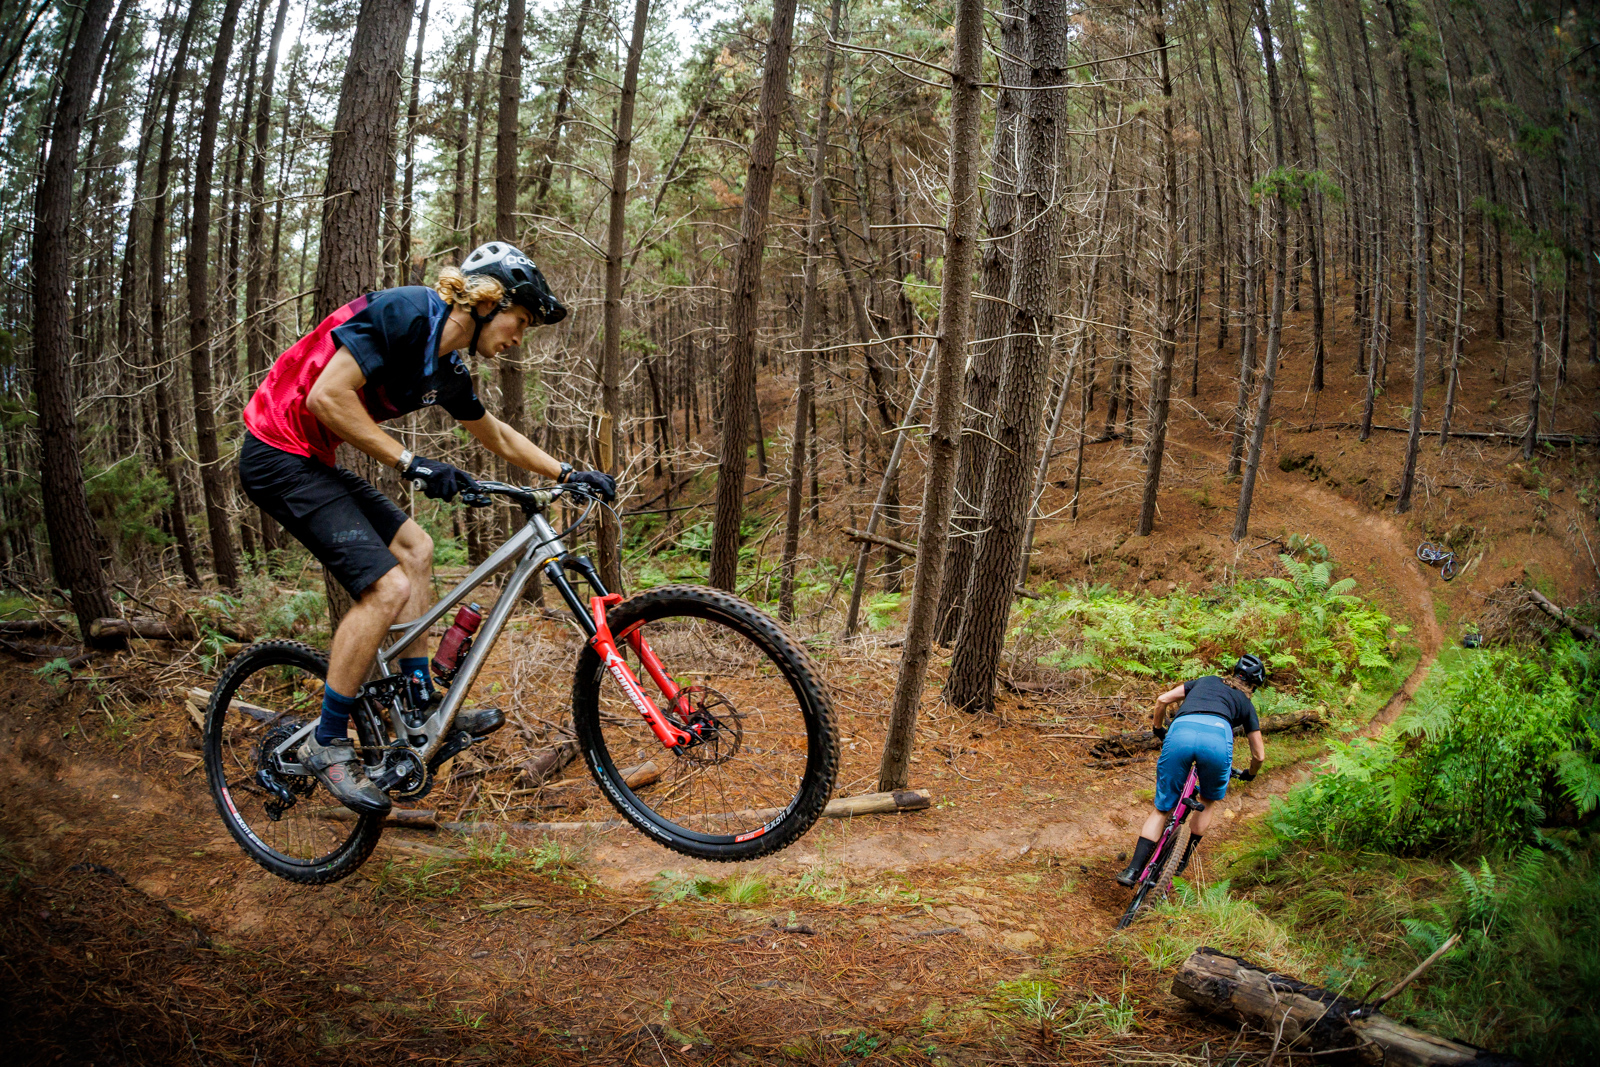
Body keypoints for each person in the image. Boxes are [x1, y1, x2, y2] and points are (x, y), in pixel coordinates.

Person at [238, 242, 615, 816]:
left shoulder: (447, 366)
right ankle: (327, 740)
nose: (519, 337)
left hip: (312, 461)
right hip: (275, 455)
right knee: (385, 588)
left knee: (416, 548)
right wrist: (411, 463)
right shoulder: (407, 312)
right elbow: (325, 395)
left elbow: (497, 434)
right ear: (491, 302)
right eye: (521, 321)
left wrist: (567, 472)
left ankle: (415, 705)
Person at [1114, 654, 1268, 887]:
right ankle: (1183, 859)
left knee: (1161, 809)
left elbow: (1162, 699)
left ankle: (1132, 870)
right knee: (1206, 801)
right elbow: (1259, 755)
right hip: (1216, 740)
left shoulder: (1205, 681)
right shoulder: (1246, 703)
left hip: (1181, 733)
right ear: (1252, 686)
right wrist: (1251, 773)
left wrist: (1158, 728)